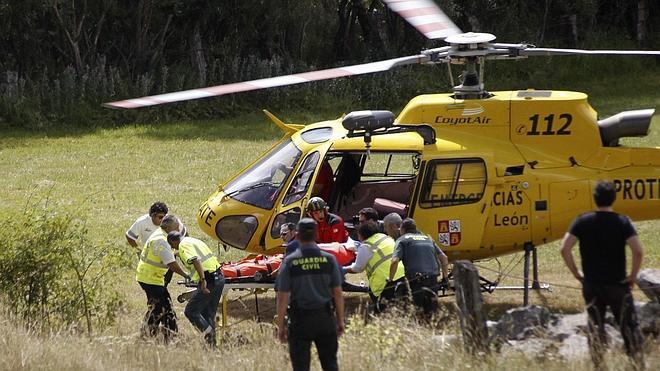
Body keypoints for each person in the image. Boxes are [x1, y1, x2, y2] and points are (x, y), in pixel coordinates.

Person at [560, 180, 644, 369]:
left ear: (594, 199)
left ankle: (598, 364)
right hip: (617, 283)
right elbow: (638, 251)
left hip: (592, 284)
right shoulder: (622, 222)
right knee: (628, 327)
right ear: (614, 198)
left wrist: (576, 273)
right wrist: (632, 275)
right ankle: (636, 364)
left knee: (595, 327)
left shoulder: (582, 221)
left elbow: (565, 248)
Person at [276, 218, 345, 371]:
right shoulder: (329, 259)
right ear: (316, 234)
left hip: (300, 321)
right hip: (325, 318)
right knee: (330, 365)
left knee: (300, 367)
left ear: (297, 236)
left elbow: (282, 297)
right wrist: (340, 320)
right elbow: (338, 294)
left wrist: (281, 326)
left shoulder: (290, 262)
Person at [135, 214, 190, 342]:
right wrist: (186, 275)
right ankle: (147, 334)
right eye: (176, 228)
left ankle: (170, 335)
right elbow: (171, 264)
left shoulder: (162, 234)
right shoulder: (162, 241)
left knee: (166, 307)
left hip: (152, 277)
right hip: (150, 278)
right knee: (158, 308)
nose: (178, 231)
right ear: (170, 228)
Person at [167, 231, 224, 347]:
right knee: (208, 314)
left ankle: (209, 335)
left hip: (209, 280)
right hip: (219, 277)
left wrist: (203, 281)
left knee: (191, 311)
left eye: (171, 245)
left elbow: (196, 260)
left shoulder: (183, 245)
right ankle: (212, 346)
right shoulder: (193, 240)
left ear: (173, 241)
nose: (173, 248)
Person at [388, 218, 449, 317]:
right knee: (431, 314)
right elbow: (444, 258)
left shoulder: (402, 240)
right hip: (433, 280)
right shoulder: (428, 238)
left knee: (414, 313)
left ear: (402, 229)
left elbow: (394, 261)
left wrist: (390, 280)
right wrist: (445, 278)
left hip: (415, 281)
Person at [343, 221, 405, 313]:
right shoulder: (386, 238)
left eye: (358, 235)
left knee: (383, 311)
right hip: (403, 274)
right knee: (403, 306)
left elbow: (357, 268)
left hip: (385, 281)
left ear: (362, 235)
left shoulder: (366, 246)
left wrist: (342, 269)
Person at [126, 202, 187, 286]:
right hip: (152, 256)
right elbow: (129, 236)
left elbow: (184, 234)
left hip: (168, 253)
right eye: (160, 217)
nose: (163, 220)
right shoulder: (141, 222)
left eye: (164, 217)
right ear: (152, 215)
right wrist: (138, 250)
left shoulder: (170, 221)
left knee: (165, 281)